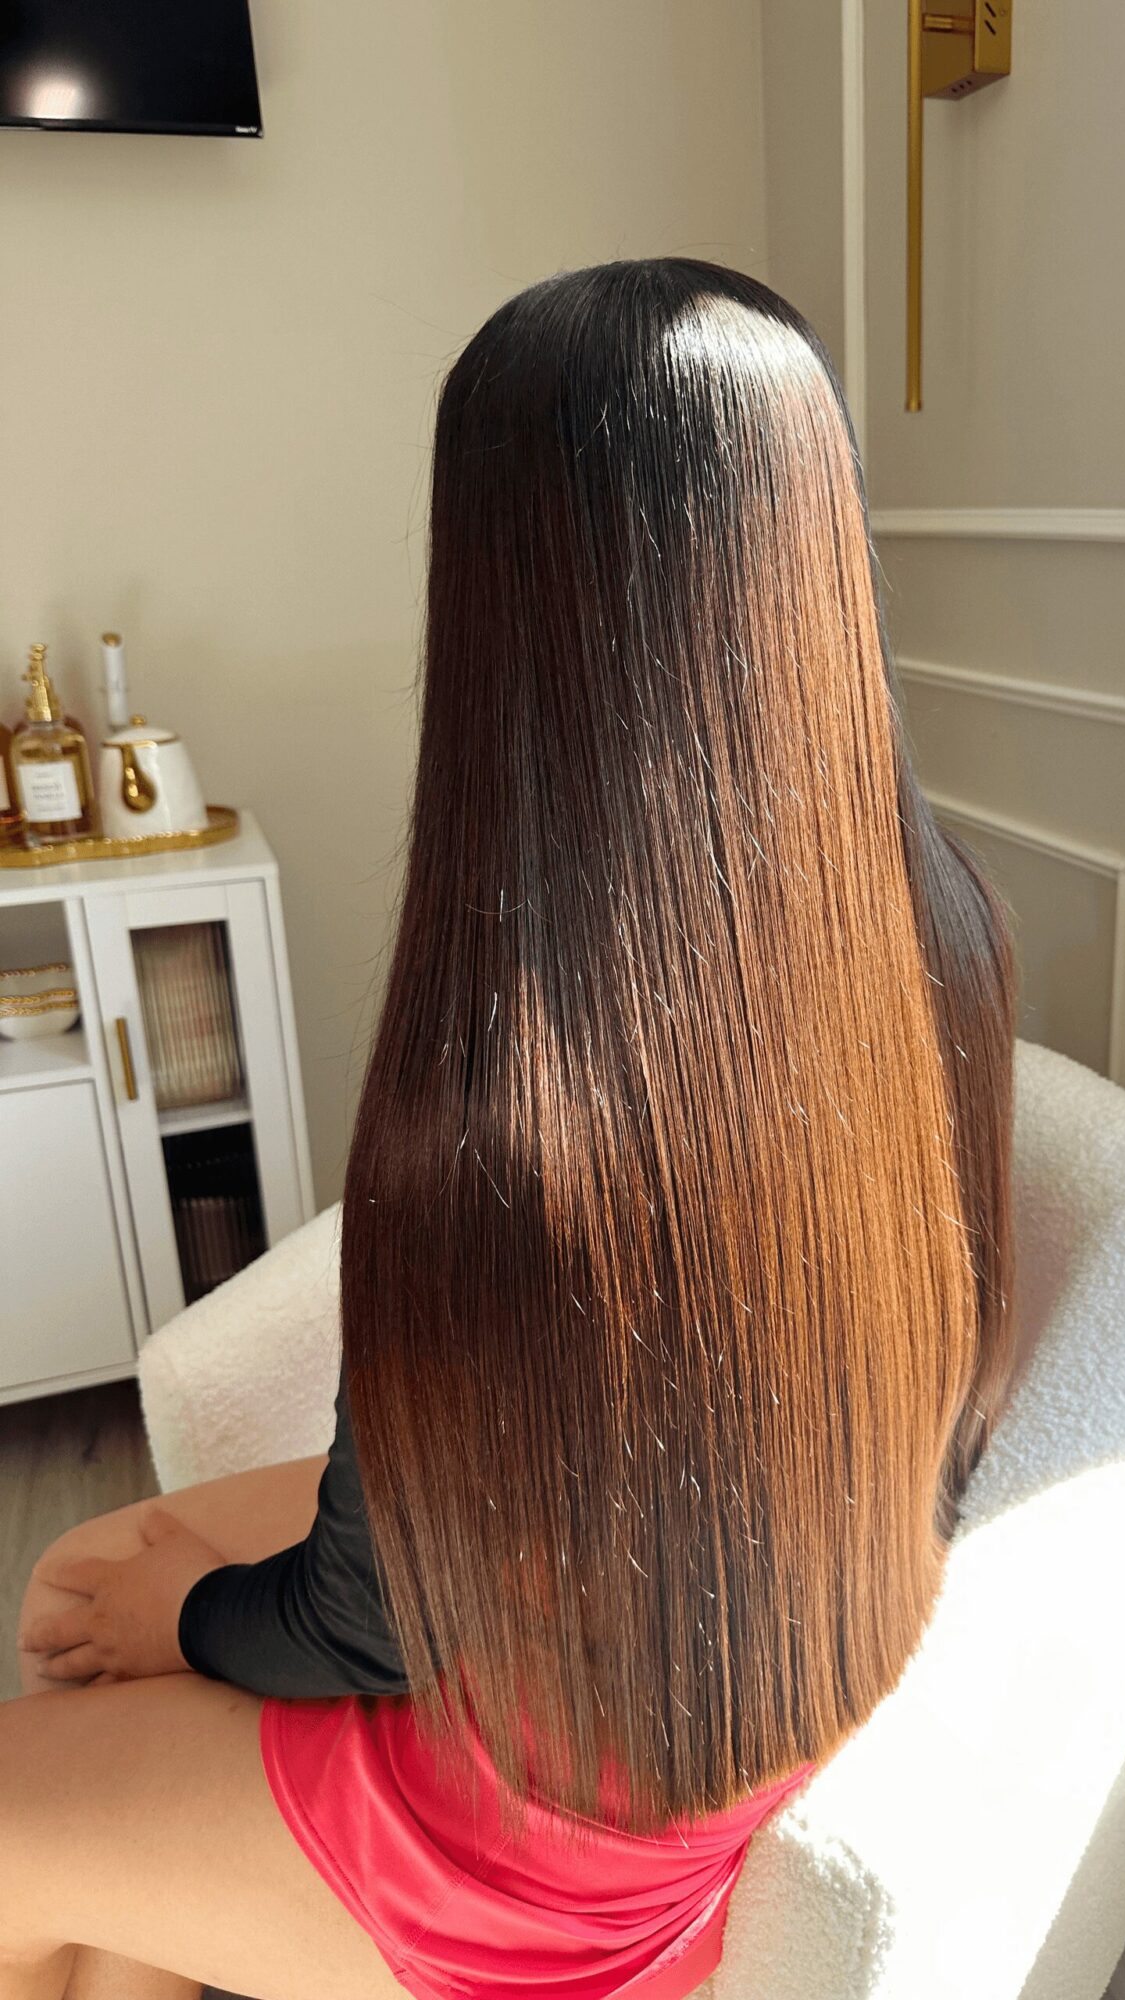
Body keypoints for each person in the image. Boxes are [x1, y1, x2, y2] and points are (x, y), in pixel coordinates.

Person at [3, 258, 1018, 2000]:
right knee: (85, 1568)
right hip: (744, 1662)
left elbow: (365, 1624)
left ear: (498, 612)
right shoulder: (948, 941)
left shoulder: (504, 1105)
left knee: (49, 1751)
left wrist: (186, 1624)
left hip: (553, 1828)